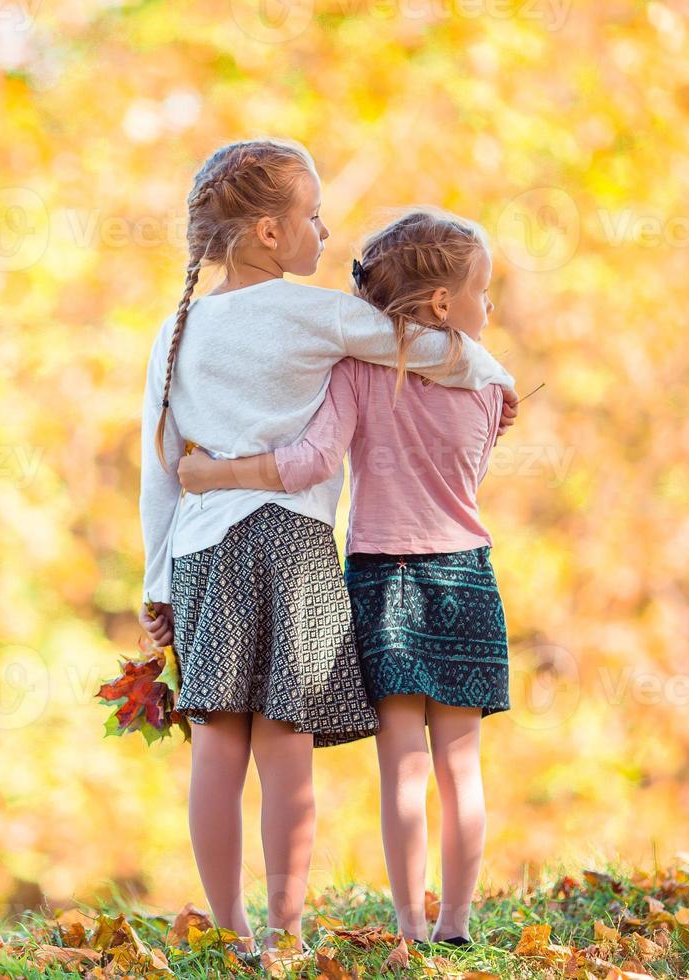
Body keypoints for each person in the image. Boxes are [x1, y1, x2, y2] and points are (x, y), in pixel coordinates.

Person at [138, 144, 516, 958]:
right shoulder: (318, 315)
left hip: (201, 552)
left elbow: (158, 464)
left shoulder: (175, 330)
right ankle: (287, 931)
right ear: (271, 233)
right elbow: (422, 338)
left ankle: (232, 931)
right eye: (313, 217)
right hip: (294, 545)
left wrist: (156, 580)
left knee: (216, 739)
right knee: (284, 739)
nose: (324, 231)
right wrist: (499, 380)